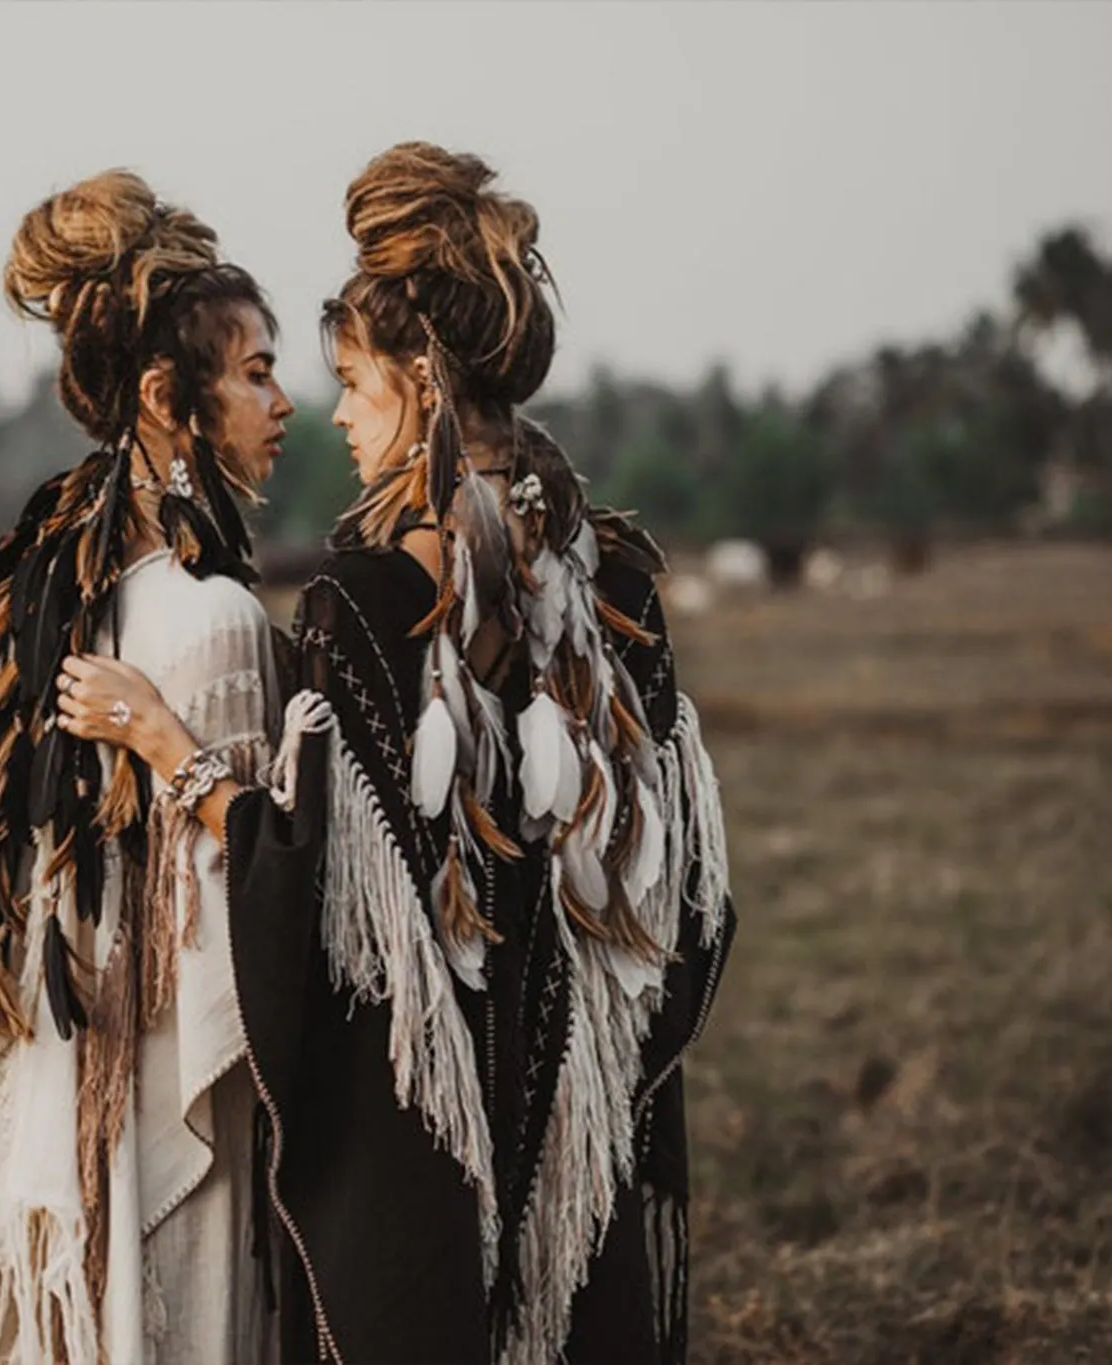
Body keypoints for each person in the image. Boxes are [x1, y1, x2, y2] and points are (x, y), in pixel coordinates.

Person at [58, 142, 735, 1365]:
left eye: (354, 387)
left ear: (417, 385)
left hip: (428, 1151)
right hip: (587, 1114)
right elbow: (682, 888)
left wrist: (171, 750)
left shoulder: (367, 600)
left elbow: (314, 888)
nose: (340, 421)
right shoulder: (616, 575)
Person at [0, 169, 295, 1365]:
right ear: (169, 398)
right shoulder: (214, 620)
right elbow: (248, 918)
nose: (282, 400)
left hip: (45, 1083)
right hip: (168, 1094)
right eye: (257, 370)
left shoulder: (47, 598)